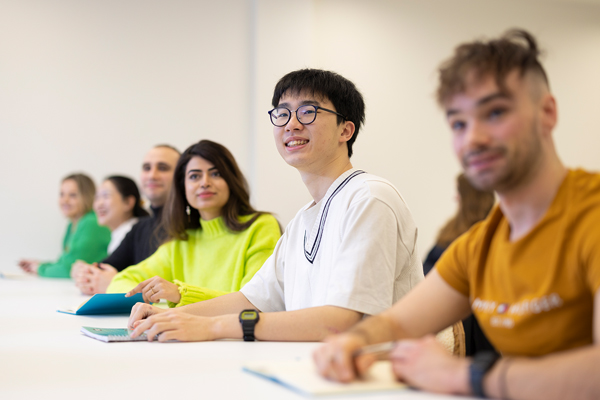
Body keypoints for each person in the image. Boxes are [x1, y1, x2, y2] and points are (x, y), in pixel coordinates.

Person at [313, 29, 600, 400]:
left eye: (495, 113)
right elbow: (398, 322)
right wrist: (352, 343)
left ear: (547, 113)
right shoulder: (479, 246)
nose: (473, 138)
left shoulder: (591, 216)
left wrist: (465, 376)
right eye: (459, 123)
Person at [126, 69, 423, 342]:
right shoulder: (303, 220)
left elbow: (342, 321)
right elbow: (251, 299)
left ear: (346, 130)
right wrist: (173, 315)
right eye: (282, 113)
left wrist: (213, 326)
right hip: (312, 368)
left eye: (308, 111)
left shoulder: (369, 198)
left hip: (375, 379)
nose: (292, 124)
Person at [105, 139, 281, 308]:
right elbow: (120, 281)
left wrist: (182, 295)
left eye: (216, 174)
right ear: (183, 187)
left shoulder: (261, 227)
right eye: (194, 176)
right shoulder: (181, 241)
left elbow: (254, 302)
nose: (205, 183)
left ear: (231, 180)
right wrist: (146, 295)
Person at [72, 145, 180, 294]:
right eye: (147, 168)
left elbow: (171, 290)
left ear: (181, 176)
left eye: (163, 168)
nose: (152, 175)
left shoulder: (186, 227)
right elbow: (104, 268)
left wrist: (114, 282)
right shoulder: (139, 228)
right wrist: (85, 272)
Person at [423, 173, 496, 356]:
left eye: (459, 191)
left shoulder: (488, 231)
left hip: (466, 316)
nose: (455, 197)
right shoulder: (452, 227)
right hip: (437, 303)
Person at [19, 173, 111, 278]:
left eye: (72, 195)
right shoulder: (72, 224)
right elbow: (65, 261)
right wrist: (41, 265)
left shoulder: (91, 223)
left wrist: (39, 269)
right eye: (62, 194)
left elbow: (68, 269)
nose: (65, 200)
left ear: (87, 196)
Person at [94, 175, 149, 255]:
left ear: (128, 202)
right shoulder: (118, 235)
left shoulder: (135, 235)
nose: (99, 204)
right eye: (96, 197)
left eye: (106, 196)